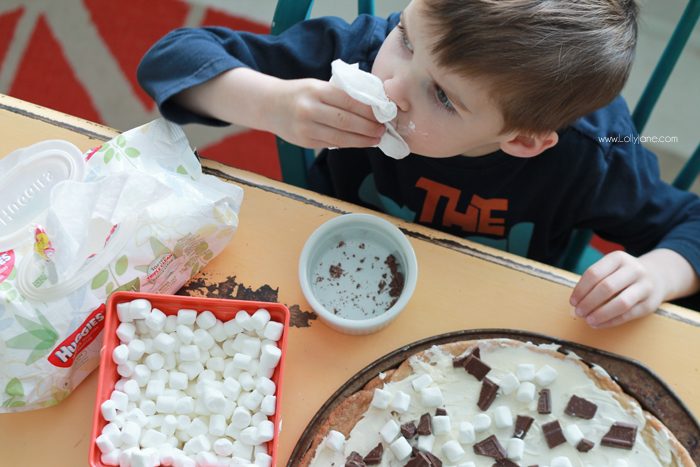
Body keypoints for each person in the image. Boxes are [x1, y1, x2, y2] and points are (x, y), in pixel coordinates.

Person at [137, 0, 700, 327]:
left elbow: (689, 226)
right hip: (327, 273)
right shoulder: (358, 50)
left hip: (489, 313)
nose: (391, 84)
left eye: (445, 98)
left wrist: (657, 273)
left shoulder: (594, 158)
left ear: (523, 142)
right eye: (407, 38)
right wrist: (271, 103)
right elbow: (169, 59)